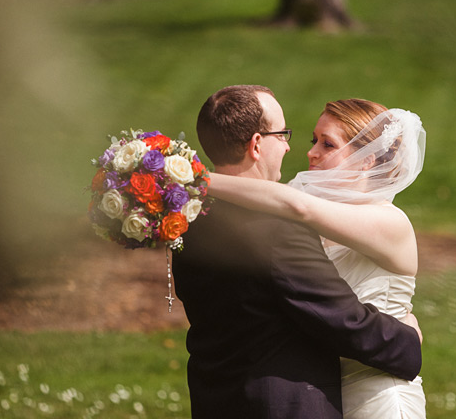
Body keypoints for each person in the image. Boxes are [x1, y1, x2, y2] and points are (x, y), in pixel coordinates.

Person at [172, 86, 422, 419]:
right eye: (313, 140)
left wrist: (191, 179)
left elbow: (295, 206)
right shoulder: (287, 223)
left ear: (368, 161)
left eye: (327, 143)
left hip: (374, 388)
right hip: (323, 389)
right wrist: (409, 339)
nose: (309, 153)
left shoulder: (389, 223)